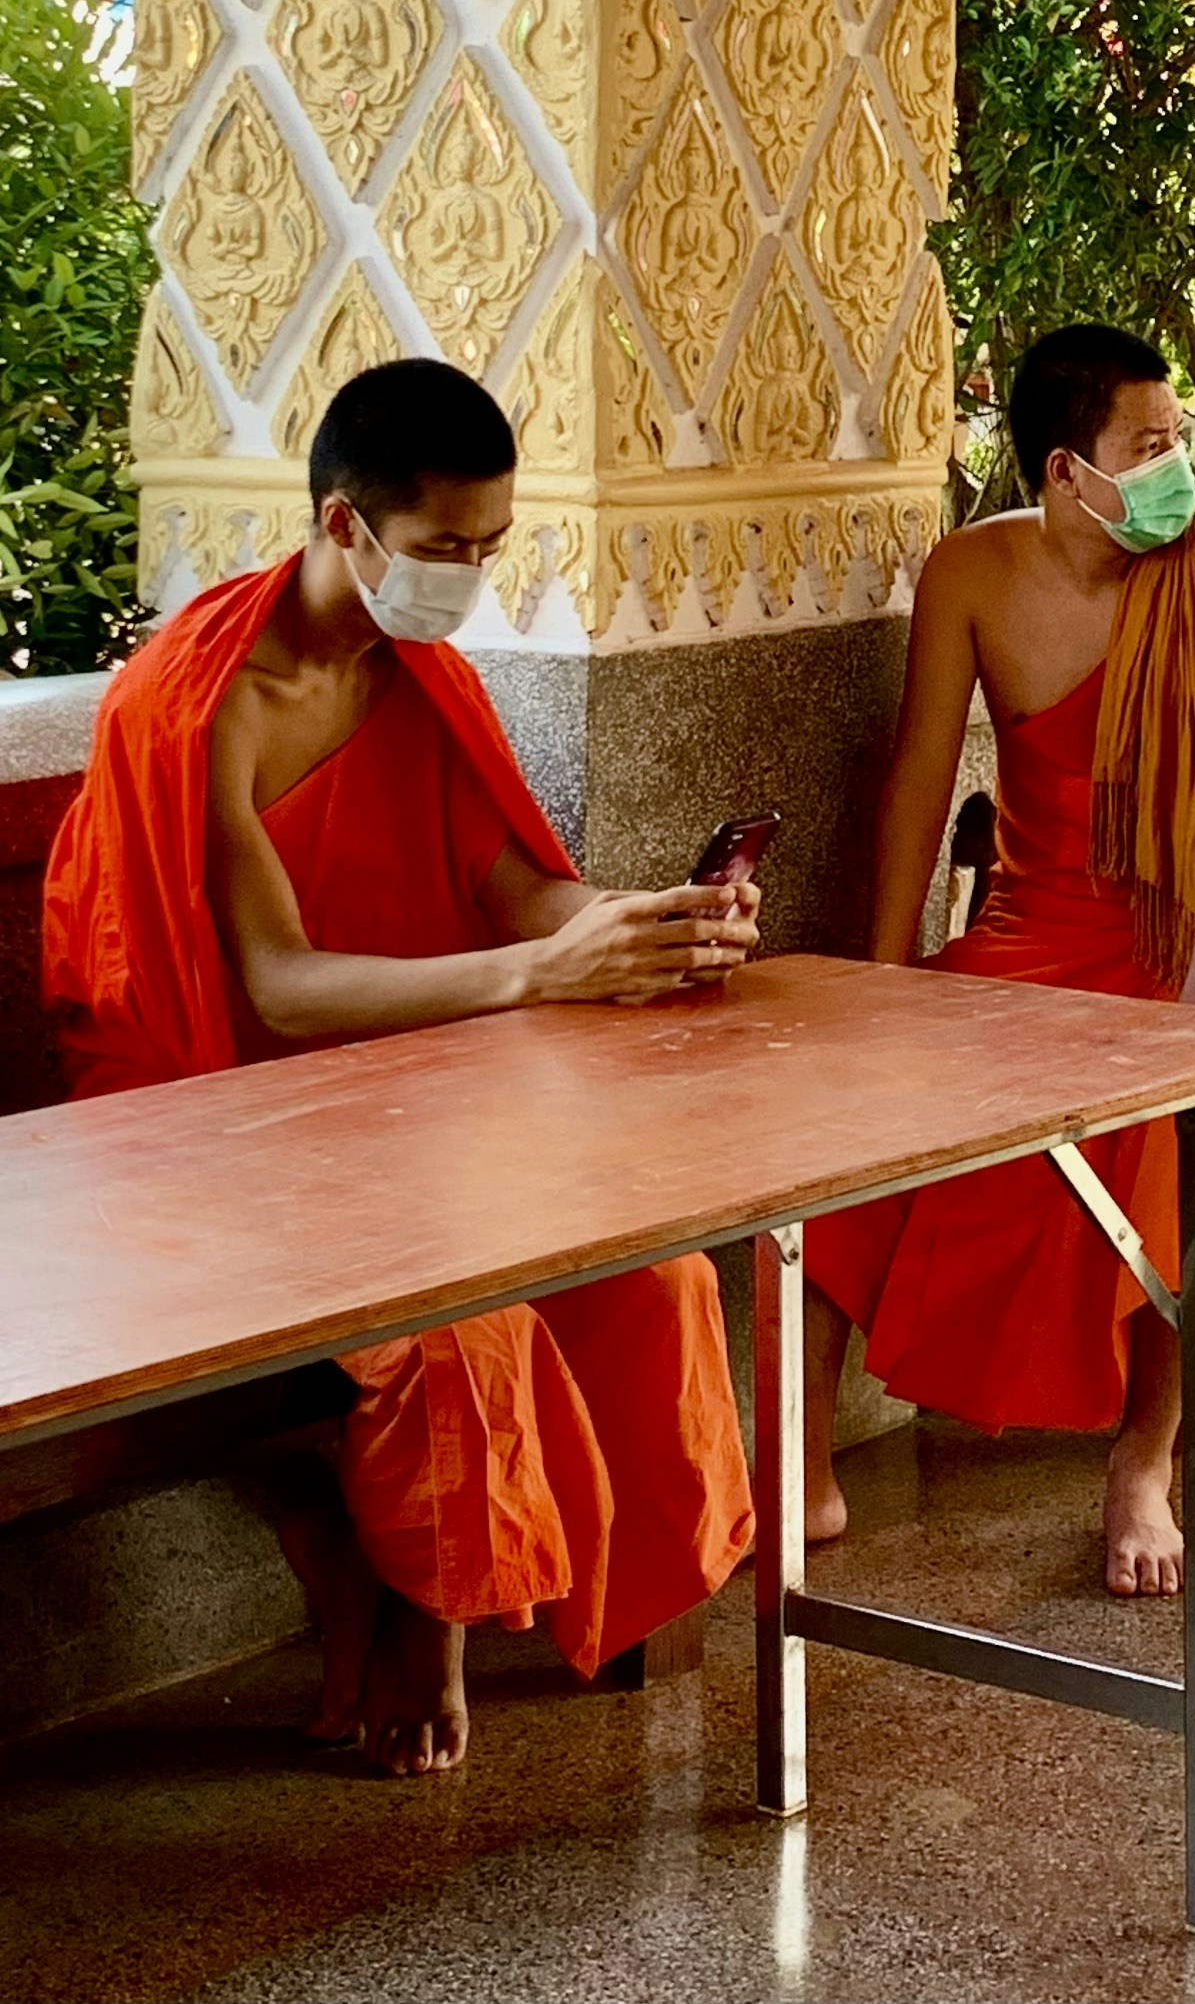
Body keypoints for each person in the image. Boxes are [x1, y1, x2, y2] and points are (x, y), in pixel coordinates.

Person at [42, 358, 758, 1778]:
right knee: (457, 1316)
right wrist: (532, 976)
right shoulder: (194, 707)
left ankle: (596, 1586)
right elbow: (275, 989)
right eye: (443, 551)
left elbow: (509, 890)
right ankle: (433, 1602)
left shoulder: (410, 665)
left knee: (654, 1270)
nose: (469, 580)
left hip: (395, 1093)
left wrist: (628, 924)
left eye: (490, 548)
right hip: (201, 1112)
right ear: (343, 525)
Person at [803, 324, 1195, 1598]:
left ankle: (1147, 1456)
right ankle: (797, 1449)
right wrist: (882, 971)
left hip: (1180, 927)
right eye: (1149, 445)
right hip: (1028, 933)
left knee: (1178, 1128)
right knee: (856, 1118)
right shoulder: (969, 573)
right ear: (1069, 468)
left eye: (1178, 438)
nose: (1178, 467)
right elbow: (921, 772)